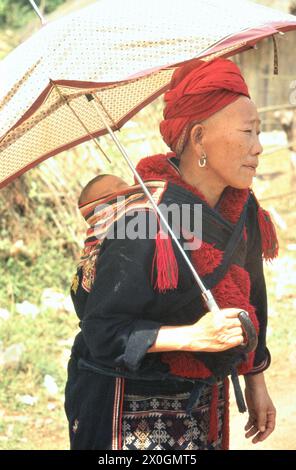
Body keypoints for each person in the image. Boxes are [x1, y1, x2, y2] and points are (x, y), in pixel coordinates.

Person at [65, 57, 277, 450]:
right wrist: (194, 337)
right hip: (128, 416)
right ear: (199, 139)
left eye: (259, 132)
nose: (259, 147)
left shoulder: (243, 207)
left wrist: (256, 379)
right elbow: (102, 331)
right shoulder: (143, 221)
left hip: (202, 406)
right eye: (248, 132)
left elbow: (253, 299)